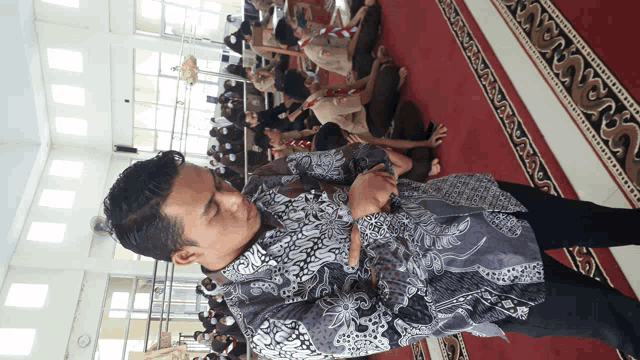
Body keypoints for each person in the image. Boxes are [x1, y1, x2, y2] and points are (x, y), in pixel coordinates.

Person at [104, 149, 640, 358]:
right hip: (493, 289)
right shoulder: (269, 324)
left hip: (481, 204)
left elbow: (359, 158)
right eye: (214, 209)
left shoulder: (267, 182)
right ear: (184, 255)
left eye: (219, 181)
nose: (235, 196)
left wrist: (378, 168)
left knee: (605, 221)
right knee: (619, 318)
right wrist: (365, 219)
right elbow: (398, 317)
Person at [285, 46, 407, 138]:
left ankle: (390, 87)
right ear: (307, 84)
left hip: (363, 109)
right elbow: (367, 96)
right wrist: (377, 64)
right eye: (305, 74)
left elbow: (353, 86)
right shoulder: (325, 104)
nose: (309, 73)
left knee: (375, 72)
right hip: (372, 124)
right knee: (388, 74)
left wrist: (377, 71)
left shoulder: (319, 94)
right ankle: (393, 92)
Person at [312, 102, 447, 182]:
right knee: (421, 166)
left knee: (406, 109)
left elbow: (388, 142)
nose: (347, 132)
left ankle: (424, 152)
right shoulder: (357, 173)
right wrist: (371, 148)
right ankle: (426, 169)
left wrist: (427, 143)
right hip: (400, 180)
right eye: (344, 133)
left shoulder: (355, 141)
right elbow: (406, 165)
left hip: (397, 160)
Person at [274, 0, 381, 79]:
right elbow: (350, 51)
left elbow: (342, 30)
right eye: (293, 22)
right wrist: (361, 25)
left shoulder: (310, 30)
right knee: (372, 12)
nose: (297, 18)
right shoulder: (313, 49)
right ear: (296, 33)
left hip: (348, 39)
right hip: (355, 57)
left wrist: (358, 15)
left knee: (357, 4)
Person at [237, 99, 308, 133]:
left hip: (288, 123)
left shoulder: (260, 115)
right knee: (299, 121)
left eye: (252, 113)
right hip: (290, 132)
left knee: (295, 104)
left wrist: (296, 98)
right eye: (253, 117)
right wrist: (302, 107)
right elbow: (284, 122)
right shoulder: (262, 131)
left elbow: (279, 109)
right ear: (251, 125)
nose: (255, 114)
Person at [253, 127, 318, 159]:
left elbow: (301, 133)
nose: (275, 129)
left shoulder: (283, 137)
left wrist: (312, 131)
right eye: (272, 131)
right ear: (271, 141)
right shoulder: (281, 157)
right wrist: (314, 147)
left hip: (314, 148)